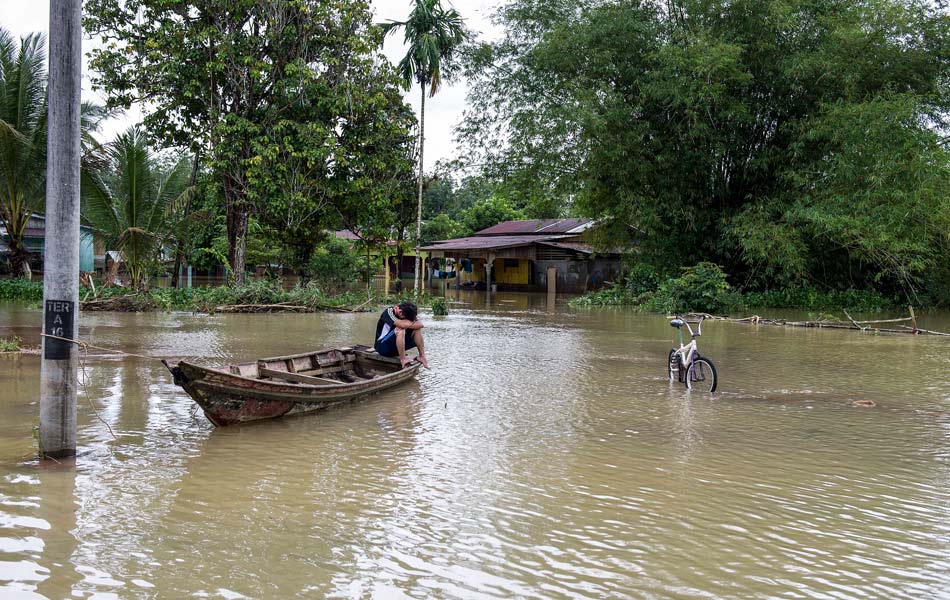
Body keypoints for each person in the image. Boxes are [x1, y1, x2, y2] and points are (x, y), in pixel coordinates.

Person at [374, 301, 429, 369]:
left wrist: (407, 324)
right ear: (400, 312)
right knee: (400, 329)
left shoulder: (408, 313)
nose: (406, 319)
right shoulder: (389, 311)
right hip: (382, 347)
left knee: (417, 329)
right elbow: (401, 325)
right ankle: (403, 359)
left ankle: (422, 356)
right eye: (405, 318)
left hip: (395, 348)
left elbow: (420, 324)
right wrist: (408, 324)